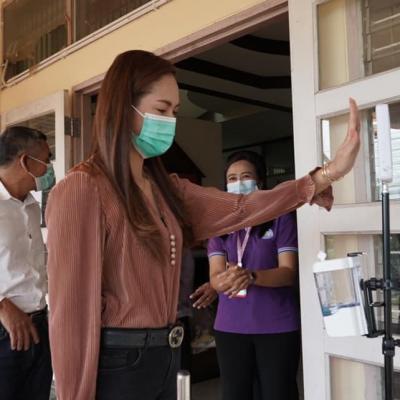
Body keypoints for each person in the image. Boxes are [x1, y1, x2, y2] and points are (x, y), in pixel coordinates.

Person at [45, 49, 360, 400]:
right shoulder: (82, 189)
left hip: (166, 351)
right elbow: (70, 314)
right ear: (122, 109)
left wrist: (325, 175)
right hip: (118, 362)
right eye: (161, 110)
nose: (170, 122)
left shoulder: (166, 189)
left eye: (175, 112)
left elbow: (242, 208)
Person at [208, 150, 301, 400]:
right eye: (232, 178)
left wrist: (252, 277)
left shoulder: (280, 218)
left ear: (260, 181)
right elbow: (215, 276)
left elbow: (288, 273)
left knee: (278, 393)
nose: (238, 183)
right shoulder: (219, 225)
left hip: (277, 326)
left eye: (246, 176)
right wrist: (223, 280)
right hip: (230, 327)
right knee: (235, 394)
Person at [0, 126, 54, 400]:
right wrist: (2, 307)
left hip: (39, 325)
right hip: (4, 330)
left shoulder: (32, 206)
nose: (49, 168)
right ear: (25, 161)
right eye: (46, 160)